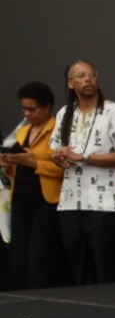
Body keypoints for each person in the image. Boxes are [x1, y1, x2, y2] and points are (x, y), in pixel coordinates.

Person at [50, 60, 115, 284]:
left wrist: (84, 157)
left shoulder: (114, 112)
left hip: (103, 204)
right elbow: (56, 151)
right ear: (70, 83)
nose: (88, 79)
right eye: (81, 76)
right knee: (78, 269)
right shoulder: (64, 113)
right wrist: (58, 157)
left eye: (92, 75)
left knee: (106, 268)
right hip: (70, 203)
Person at [0, 82, 65, 288]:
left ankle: (39, 293)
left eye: (32, 109)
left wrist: (34, 163)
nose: (27, 114)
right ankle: (20, 292)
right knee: (18, 250)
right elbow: (14, 170)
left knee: (40, 253)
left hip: (46, 198)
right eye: (24, 109)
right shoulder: (22, 132)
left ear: (47, 106)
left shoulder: (58, 131)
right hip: (20, 195)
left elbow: (64, 169)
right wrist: (10, 164)